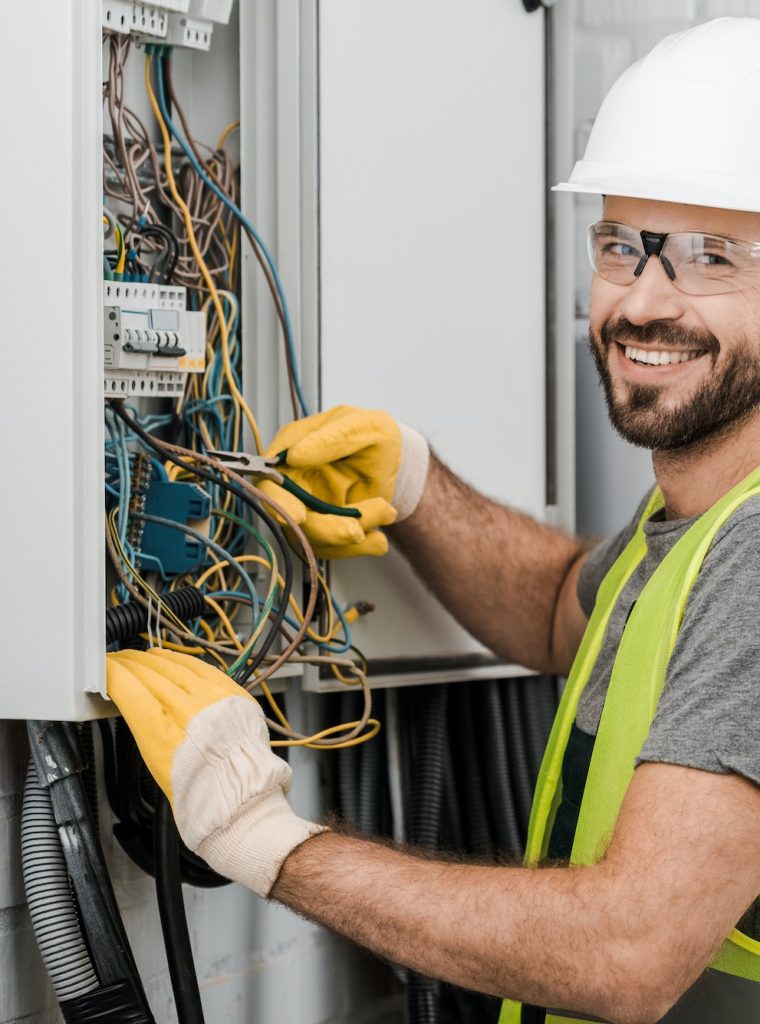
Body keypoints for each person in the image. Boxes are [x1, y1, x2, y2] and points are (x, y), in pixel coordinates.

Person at [106, 18, 760, 1024]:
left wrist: (267, 840)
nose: (642, 300)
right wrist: (413, 484)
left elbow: (626, 952)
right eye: (620, 246)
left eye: (710, 257)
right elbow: (555, 610)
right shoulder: (694, 529)